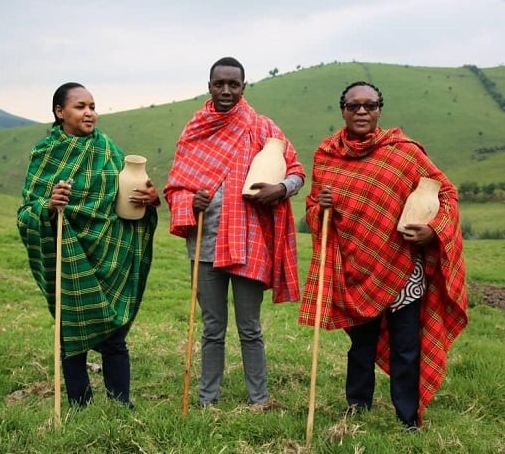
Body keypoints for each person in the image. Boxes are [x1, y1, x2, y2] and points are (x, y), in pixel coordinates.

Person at [299, 81, 468, 429]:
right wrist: (320, 207)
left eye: (370, 105)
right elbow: (315, 209)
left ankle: (408, 416)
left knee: (406, 348)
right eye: (353, 106)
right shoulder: (326, 155)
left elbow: (446, 192)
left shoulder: (404, 152)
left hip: (403, 267)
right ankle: (357, 406)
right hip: (355, 269)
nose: (362, 111)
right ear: (342, 110)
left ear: (380, 109)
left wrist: (432, 229)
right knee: (360, 347)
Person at [164, 57, 305, 410]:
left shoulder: (261, 128)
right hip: (205, 244)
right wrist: (189, 200)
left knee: (250, 327)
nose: (226, 91)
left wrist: (281, 189)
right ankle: (206, 398)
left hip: (249, 242)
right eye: (219, 84)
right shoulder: (195, 129)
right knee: (212, 328)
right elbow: (176, 186)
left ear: (243, 87)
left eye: (234, 84)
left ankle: (259, 398)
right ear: (209, 85)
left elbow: (298, 171)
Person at [17, 82, 160, 408]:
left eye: (92, 106)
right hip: (68, 258)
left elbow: (128, 201)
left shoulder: (108, 150)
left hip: (110, 255)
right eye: (80, 106)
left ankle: (121, 405)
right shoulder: (46, 155)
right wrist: (50, 206)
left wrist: (152, 200)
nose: (89, 113)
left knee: (115, 338)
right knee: (72, 339)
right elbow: (26, 214)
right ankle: (79, 405)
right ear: (59, 112)